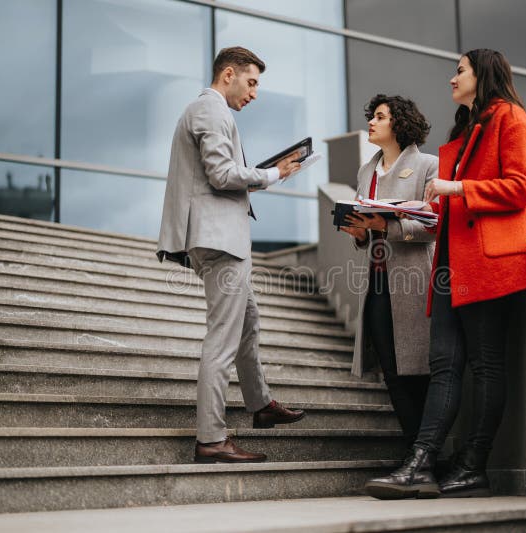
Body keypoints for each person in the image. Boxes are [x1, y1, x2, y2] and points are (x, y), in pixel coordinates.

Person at [365, 49, 526, 499]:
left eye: (459, 70)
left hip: (488, 263)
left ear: (482, 74)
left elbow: (521, 190)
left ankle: (472, 466)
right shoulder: (465, 133)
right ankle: (422, 463)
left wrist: (457, 187)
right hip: (450, 266)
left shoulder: (512, 119)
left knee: (484, 364)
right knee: (444, 365)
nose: (451, 78)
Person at [156, 46, 306, 464]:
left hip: (220, 238)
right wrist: (275, 173)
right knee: (222, 340)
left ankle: (259, 403)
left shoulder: (213, 112)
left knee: (248, 321)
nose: (255, 93)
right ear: (228, 74)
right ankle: (211, 439)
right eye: (252, 82)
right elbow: (222, 175)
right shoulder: (210, 110)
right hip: (219, 240)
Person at [341, 94, 437, 452]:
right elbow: (366, 224)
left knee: (421, 373)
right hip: (377, 282)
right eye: (372, 116)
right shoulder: (367, 171)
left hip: (416, 282)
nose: (371, 122)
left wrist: (389, 226)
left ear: (398, 123)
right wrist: (360, 232)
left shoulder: (428, 165)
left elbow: (435, 224)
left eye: (379, 117)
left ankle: (427, 454)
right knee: (393, 374)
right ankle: (417, 453)